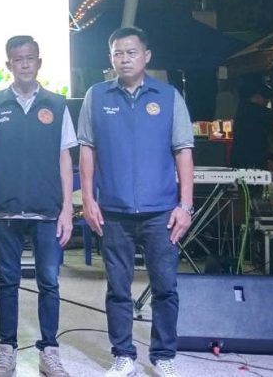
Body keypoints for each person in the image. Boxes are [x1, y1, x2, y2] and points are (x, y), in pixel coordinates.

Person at [78, 27, 194, 377]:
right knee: (117, 288)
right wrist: (88, 199)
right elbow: (87, 149)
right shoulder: (96, 96)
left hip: (162, 213)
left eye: (131, 52)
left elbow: (183, 151)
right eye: (117, 53)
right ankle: (123, 355)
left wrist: (185, 206)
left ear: (146, 56)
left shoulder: (169, 96)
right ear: (110, 58)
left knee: (165, 287)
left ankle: (163, 355)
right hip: (114, 212)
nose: (124, 59)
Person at [0, 36, 74, 377]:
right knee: (7, 282)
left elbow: (64, 159)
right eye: (18, 59)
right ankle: (6, 350)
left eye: (30, 58)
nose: (24, 64)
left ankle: (49, 350)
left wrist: (67, 210)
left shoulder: (57, 104)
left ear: (39, 62)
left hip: (47, 212)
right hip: (4, 210)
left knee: (49, 282)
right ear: (8, 65)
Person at [229, 80, 273, 169]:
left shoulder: (242, 108)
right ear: (257, 96)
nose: (266, 103)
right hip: (253, 159)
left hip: (240, 158)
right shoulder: (257, 111)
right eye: (265, 100)